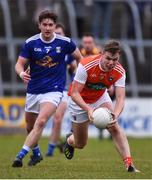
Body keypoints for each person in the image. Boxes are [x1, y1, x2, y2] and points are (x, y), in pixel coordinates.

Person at [12, 10, 82, 168]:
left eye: (51, 24)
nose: (48, 27)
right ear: (39, 26)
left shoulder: (65, 42)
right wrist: (22, 73)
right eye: (45, 24)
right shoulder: (31, 43)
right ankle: (36, 154)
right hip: (33, 89)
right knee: (30, 127)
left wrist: (80, 76)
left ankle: (20, 156)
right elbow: (19, 64)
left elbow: (80, 58)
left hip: (54, 90)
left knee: (41, 121)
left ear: (54, 25)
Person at [64, 40, 140, 173]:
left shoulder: (120, 71)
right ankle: (70, 140)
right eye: (108, 58)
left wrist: (115, 115)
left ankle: (129, 164)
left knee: (114, 127)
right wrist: (88, 109)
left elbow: (121, 98)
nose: (111, 62)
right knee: (81, 144)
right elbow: (75, 93)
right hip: (79, 101)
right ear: (102, 54)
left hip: (100, 97)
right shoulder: (86, 64)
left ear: (119, 57)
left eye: (115, 59)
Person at [45, 23, 77, 156]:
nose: (57, 35)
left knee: (58, 118)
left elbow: (74, 68)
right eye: (55, 33)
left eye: (60, 33)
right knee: (37, 121)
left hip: (62, 89)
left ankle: (50, 150)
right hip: (44, 88)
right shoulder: (45, 49)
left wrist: (73, 71)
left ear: (64, 35)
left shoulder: (67, 51)